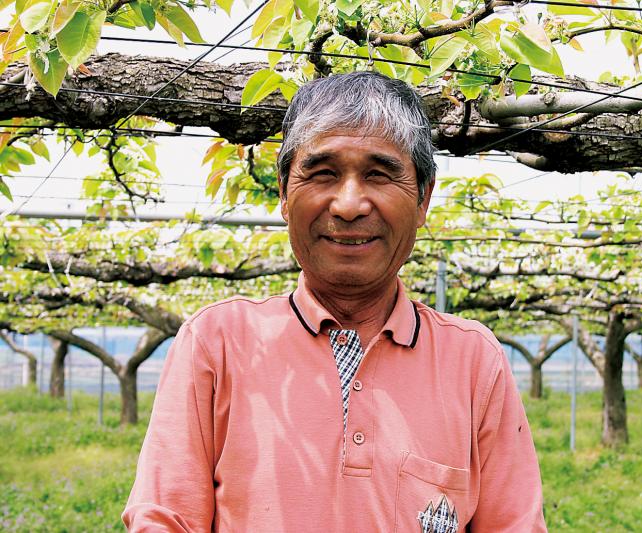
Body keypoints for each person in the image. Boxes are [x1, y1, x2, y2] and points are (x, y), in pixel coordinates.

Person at [123, 71, 546, 532]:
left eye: (379, 174)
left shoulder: (473, 359)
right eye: (323, 173)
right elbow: (164, 519)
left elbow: (513, 524)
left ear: (423, 197)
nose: (348, 205)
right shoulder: (217, 342)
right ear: (284, 193)